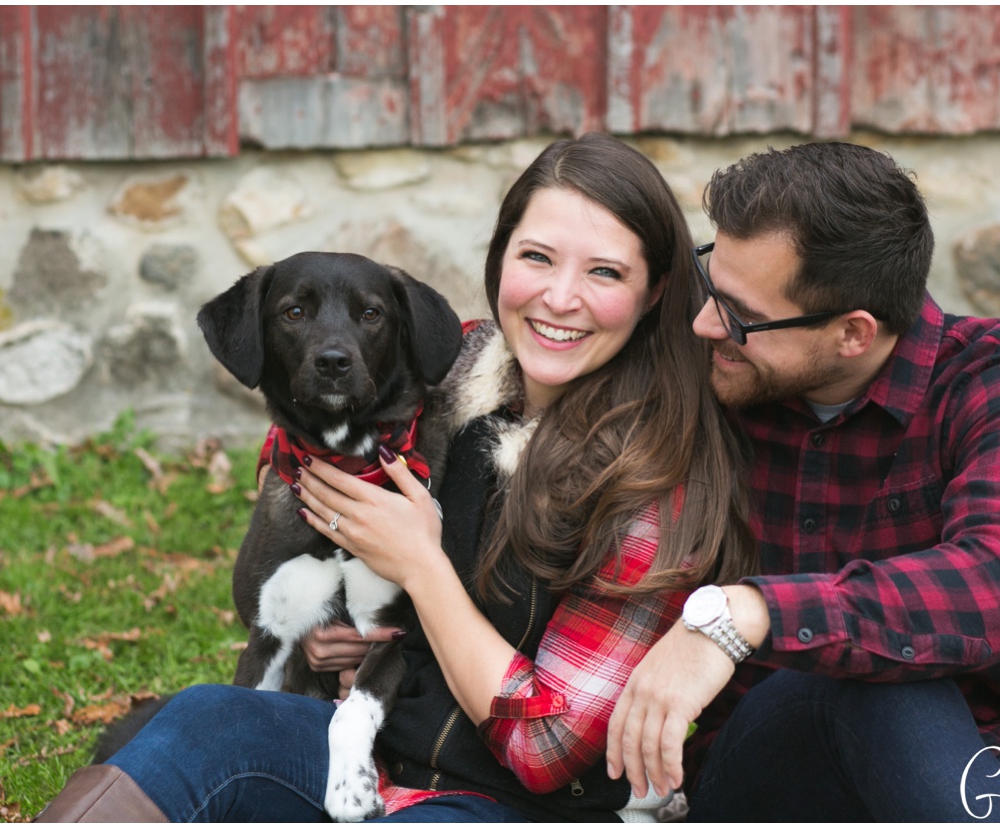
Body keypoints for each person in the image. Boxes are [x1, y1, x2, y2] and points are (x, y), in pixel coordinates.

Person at [39, 133, 756, 822]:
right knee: (203, 718)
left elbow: (547, 751)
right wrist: (333, 619)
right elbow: (319, 407)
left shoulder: (655, 484)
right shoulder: (457, 373)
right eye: (536, 256)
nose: (558, 298)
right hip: (372, 752)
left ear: (654, 291)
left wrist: (419, 566)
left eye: (603, 272)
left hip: (509, 806)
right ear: (499, 254)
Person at [603, 141, 1000, 821]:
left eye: (739, 315)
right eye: (710, 284)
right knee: (860, 679)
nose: (705, 325)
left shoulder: (998, 378)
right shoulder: (705, 372)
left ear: (853, 333)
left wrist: (742, 615)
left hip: (987, 752)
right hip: (772, 768)